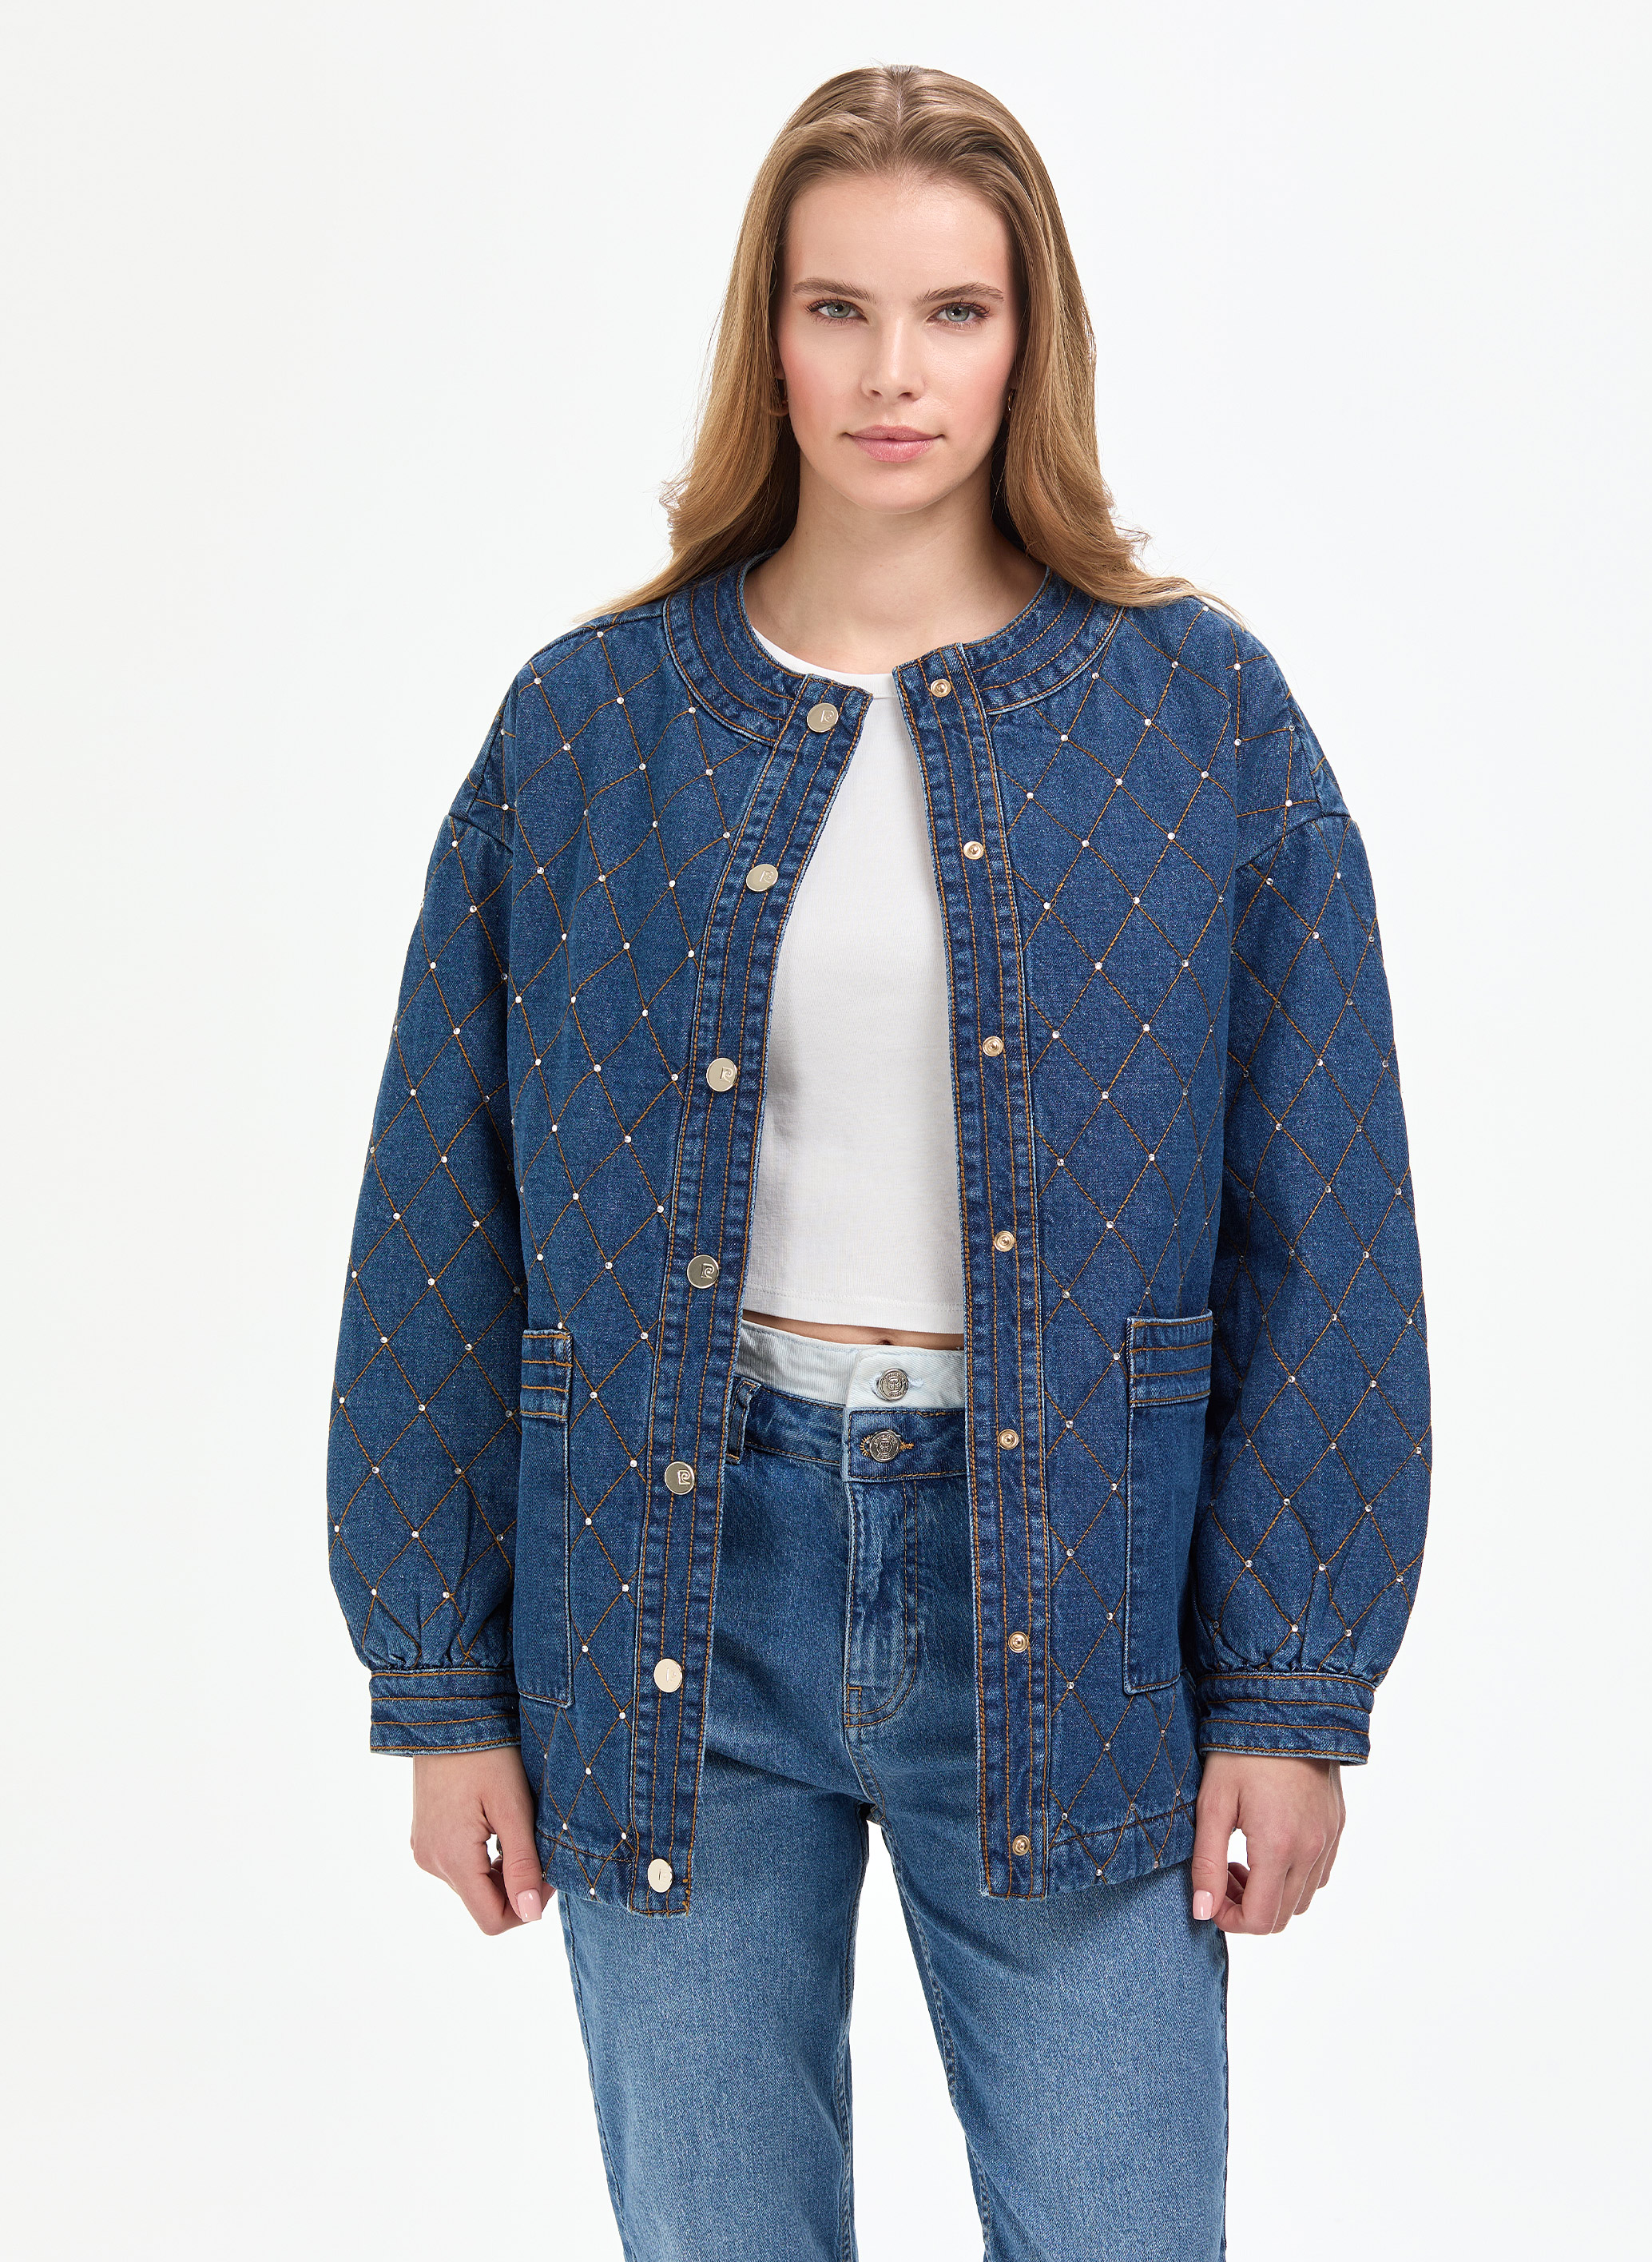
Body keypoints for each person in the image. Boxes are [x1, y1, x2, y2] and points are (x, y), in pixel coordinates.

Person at [324, 62, 1431, 2262]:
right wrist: (442, 1681)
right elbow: (444, 1209)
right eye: (837, 309)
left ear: (1030, 341)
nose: (892, 374)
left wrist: (1292, 1690)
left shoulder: (1197, 716)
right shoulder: (591, 723)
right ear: (770, 336)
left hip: (1074, 1592)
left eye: (953, 313)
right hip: (671, 1583)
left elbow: (1325, 1216)